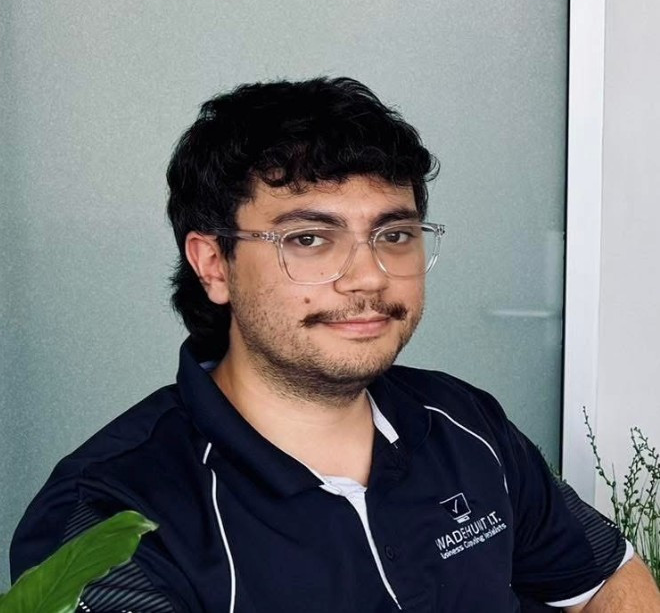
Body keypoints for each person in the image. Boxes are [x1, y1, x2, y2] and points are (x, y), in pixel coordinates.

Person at [10, 78, 660, 613]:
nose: (369, 276)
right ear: (213, 265)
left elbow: (607, 578)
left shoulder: (464, 423)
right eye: (309, 240)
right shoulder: (110, 513)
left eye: (395, 235)